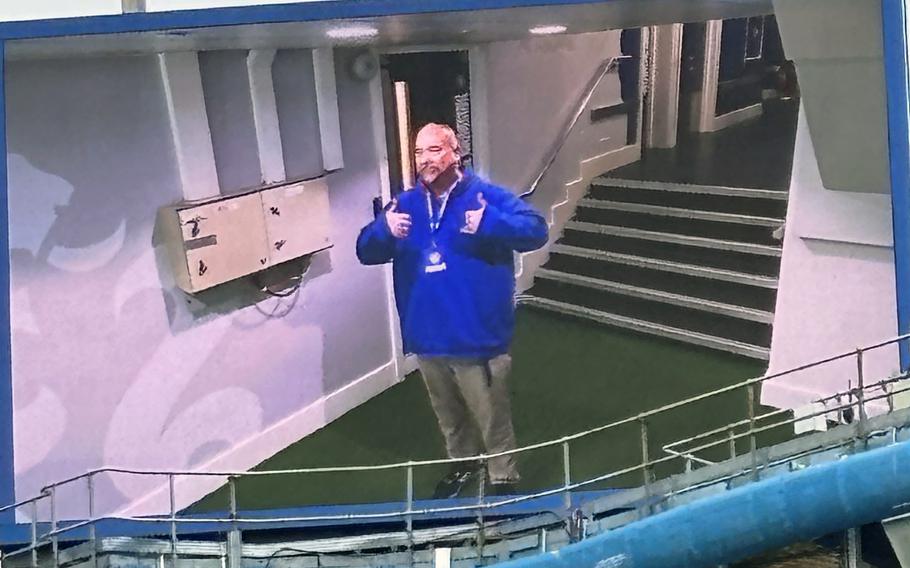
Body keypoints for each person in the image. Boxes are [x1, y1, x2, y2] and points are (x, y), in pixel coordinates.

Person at [356, 123, 549, 498]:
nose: (424, 160)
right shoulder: (406, 205)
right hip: (428, 336)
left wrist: (491, 223)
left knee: (491, 416)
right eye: (418, 152)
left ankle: (502, 478)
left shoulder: (485, 197)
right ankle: (463, 463)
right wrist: (383, 229)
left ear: (454, 152)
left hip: (477, 338)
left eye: (433, 150)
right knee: (449, 417)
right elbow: (365, 251)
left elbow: (535, 230)